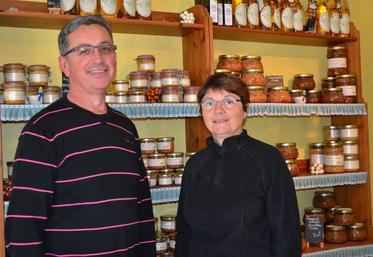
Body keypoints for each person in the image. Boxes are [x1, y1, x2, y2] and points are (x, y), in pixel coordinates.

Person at [5, 15, 155, 257]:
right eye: (84, 50)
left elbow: (143, 211)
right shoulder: (42, 131)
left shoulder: (126, 128)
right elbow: (23, 228)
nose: (98, 58)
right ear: (64, 65)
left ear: (114, 57)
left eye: (105, 48)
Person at [176, 73, 301, 257]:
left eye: (228, 101)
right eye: (209, 103)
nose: (218, 110)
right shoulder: (194, 165)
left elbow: (286, 237)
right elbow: (184, 234)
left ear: (245, 110)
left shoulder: (268, 160)